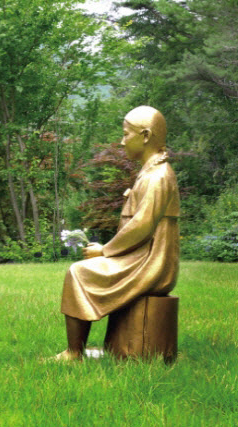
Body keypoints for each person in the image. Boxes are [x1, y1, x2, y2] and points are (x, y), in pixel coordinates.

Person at [56, 106, 180, 361]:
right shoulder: (149, 172)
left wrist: (105, 250)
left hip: (151, 263)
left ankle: (74, 352)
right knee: (85, 269)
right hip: (141, 256)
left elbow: (142, 227)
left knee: (78, 272)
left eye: (126, 134)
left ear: (145, 135)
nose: (122, 141)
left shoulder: (157, 177)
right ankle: (85, 349)